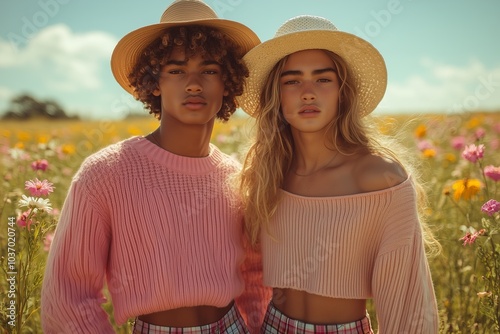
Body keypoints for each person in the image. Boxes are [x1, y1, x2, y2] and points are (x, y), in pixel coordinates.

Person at [41, 0, 271, 333]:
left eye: (209, 70)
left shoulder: (238, 176)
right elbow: (68, 297)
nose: (194, 84)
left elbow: (253, 280)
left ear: (228, 82)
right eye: (176, 70)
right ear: (154, 83)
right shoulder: (105, 173)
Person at [237, 15, 440, 333]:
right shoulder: (267, 175)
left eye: (323, 79)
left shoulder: (378, 178)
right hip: (270, 326)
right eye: (292, 80)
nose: (307, 92)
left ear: (343, 92)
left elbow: (408, 301)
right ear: (276, 97)